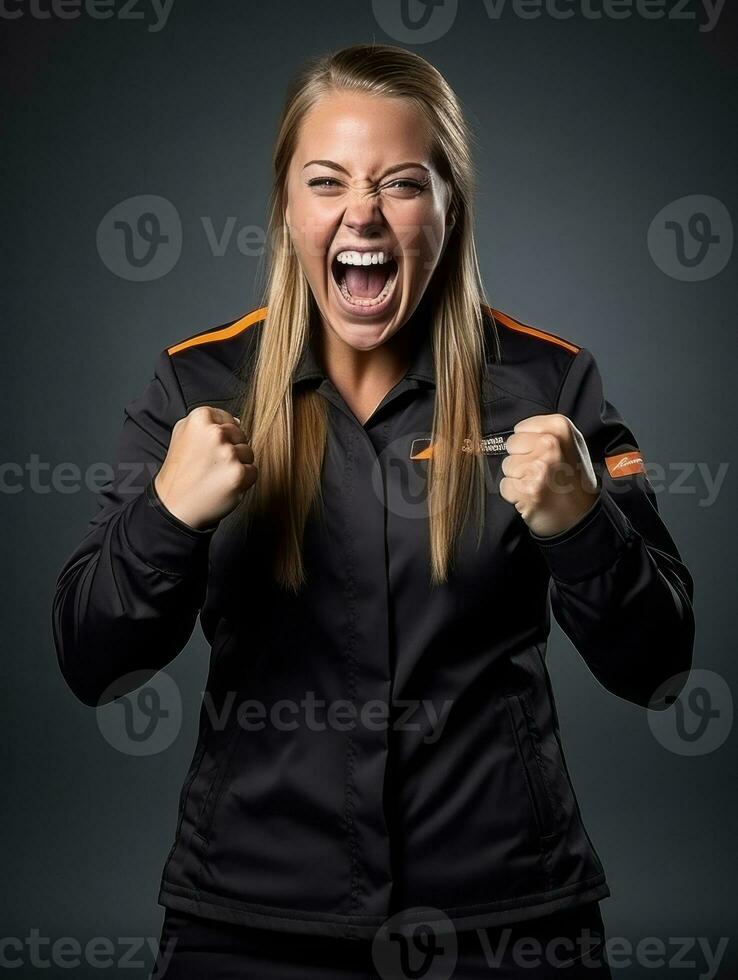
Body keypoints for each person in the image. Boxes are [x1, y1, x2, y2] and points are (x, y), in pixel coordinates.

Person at [52, 43, 694, 979]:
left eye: (400, 183)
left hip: (509, 922)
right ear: (286, 208)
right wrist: (166, 516)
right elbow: (89, 661)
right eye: (327, 182)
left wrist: (582, 523)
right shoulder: (196, 384)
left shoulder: (551, 384)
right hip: (250, 923)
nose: (361, 213)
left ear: (449, 207)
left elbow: (662, 667)